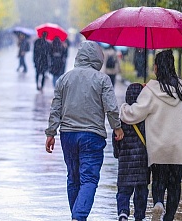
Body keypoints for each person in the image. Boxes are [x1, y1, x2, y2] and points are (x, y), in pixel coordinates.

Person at [45, 40, 124, 221]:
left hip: (68, 135)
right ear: (98, 58)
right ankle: (78, 217)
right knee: (89, 179)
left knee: (73, 178)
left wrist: (51, 133)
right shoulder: (102, 79)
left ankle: (76, 215)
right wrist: (116, 127)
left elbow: (55, 108)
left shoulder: (64, 79)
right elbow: (111, 108)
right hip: (92, 136)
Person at [120, 50, 182, 221]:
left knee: (158, 180)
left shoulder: (151, 89)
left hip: (158, 147)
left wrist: (123, 108)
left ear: (156, 67)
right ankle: (169, 217)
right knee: (175, 184)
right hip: (180, 146)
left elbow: (135, 114)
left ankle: (158, 202)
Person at [112, 83, 149, 221]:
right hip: (142, 162)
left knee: (123, 190)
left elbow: (116, 140)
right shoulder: (145, 116)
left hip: (125, 163)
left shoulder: (121, 117)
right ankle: (139, 215)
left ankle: (123, 212)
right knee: (141, 191)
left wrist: (118, 154)